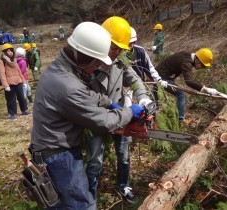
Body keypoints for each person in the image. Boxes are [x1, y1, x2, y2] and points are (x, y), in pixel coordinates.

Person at [29, 21, 144, 209]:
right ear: (84, 56)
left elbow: (86, 94)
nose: (99, 66)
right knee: (81, 205)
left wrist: (107, 101)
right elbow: (104, 122)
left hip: (51, 148)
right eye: (98, 62)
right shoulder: (68, 86)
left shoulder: (60, 68)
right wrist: (129, 112)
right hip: (58, 156)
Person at [86, 17, 152, 204]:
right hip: (96, 116)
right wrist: (109, 103)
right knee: (95, 160)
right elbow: (84, 93)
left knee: (123, 155)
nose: (117, 52)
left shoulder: (120, 61)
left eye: (120, 49)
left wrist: (143, 97)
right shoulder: (89, 61)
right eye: (113, 48)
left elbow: (135, 79)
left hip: (119, 115)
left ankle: (123, 185)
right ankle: (91, 194)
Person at [155, 48, 221, 122]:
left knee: (156, 96)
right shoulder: (186, 63)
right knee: (181, 95)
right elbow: (189, 81)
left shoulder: (186, 55)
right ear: (197, 60)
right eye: (202, 66)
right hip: (160, 77)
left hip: (160, 74)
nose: (201, 68)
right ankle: (180, 119)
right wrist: (206, 89)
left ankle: (156, 109)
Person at [129, 27, 168, 104]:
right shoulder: (118, 53)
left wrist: (158, 80)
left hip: (139, 84)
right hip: (125, 87)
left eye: (131, 43)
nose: (129, 45)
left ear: (134, 42)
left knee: (143, 105)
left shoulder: (140, 51)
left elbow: (149, 68)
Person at [0, 43, 31, 120]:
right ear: (5, 52)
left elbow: (19, 72)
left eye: (11, 50)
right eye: (8, 51)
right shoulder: (2, 61)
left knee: (21, 97)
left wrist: (23, 82)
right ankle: (12, 114)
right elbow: (2, 74)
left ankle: (24, 110)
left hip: (18, 81)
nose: (10, 52)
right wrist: (6, 85)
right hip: (9, 84)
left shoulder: (14, 60)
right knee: (11, 100)